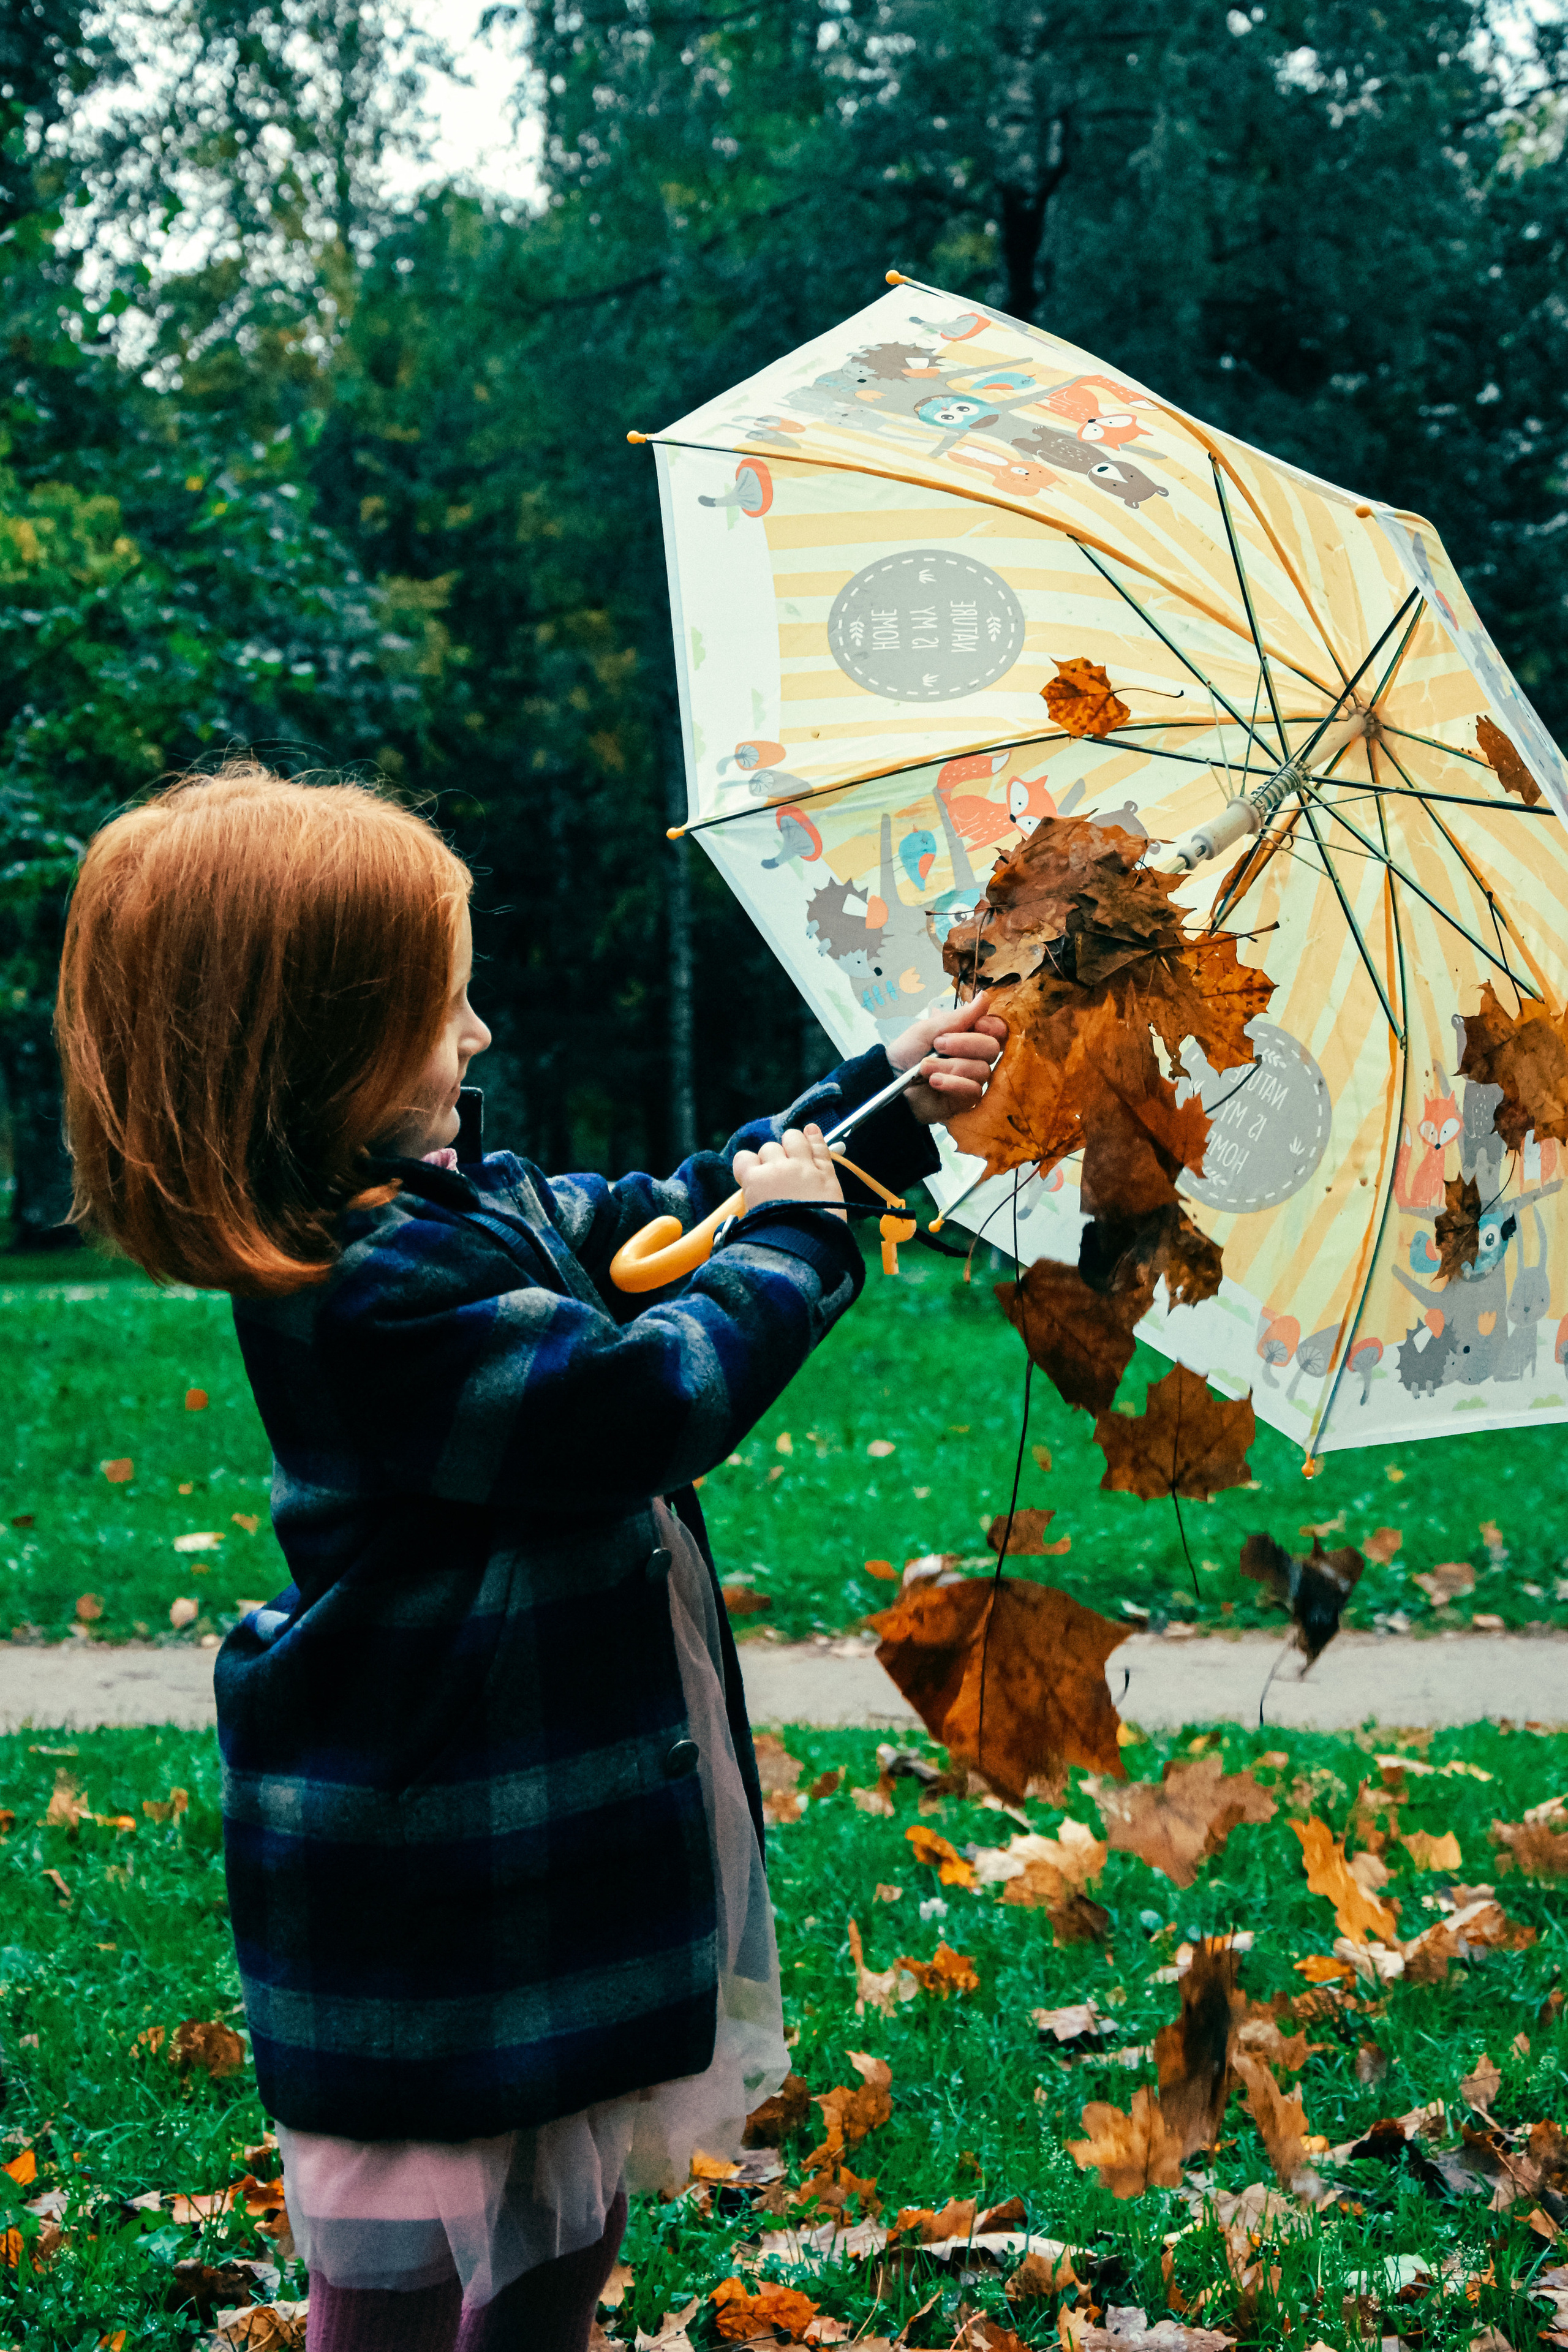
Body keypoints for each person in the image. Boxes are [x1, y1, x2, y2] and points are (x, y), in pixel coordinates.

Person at [53, 760, 1005, 2352]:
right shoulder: (363, 1289)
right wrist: (800, 1240)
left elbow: (663, 1224)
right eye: (444, 1009)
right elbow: (641, 1403)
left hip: (553, 1799)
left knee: (573, 2182)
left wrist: (875, 1110)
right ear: (324, 1045)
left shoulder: (455, 1201)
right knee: (411, 2247)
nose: (480, 1034)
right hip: (439, 1838)